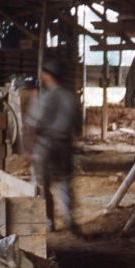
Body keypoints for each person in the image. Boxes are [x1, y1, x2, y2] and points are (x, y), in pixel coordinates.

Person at [25, 58, 82, 236]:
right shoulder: (71, 98)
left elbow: (31, 127)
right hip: (64, 145)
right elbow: (78, 129)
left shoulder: (41, 98)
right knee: (64, 183)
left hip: (44, 146)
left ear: (48, 76)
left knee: (42, 185)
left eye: (44, 73)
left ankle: (49, 223)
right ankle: (69, 220)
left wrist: (27, 149)